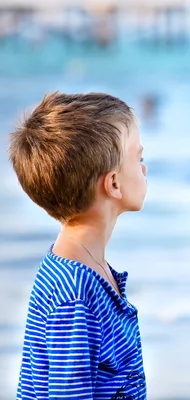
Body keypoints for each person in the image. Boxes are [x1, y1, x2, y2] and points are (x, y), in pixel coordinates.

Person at [9, 92, 148, 399]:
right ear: (113, 184)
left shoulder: (85, 270)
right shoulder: (74, 294)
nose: (145, 169)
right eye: (139, 159)